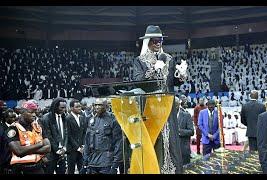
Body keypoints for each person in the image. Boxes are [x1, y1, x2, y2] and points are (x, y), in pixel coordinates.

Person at [131, 25, 184, 173]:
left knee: (170, 139)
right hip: (151, 108)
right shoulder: (140, 61)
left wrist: (181, 77)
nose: (158, 43)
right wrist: (153, 70)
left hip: (167, 106)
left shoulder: (168, 59)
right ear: (147, 42)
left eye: (160, 40)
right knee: (156, 139)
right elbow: (138, 81)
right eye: (154, 41)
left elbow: (172, 82)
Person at [6, 100, 51, 174]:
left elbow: (48, 148)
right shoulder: (13, 129)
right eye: (31, 112)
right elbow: (19, 151)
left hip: (38, 167)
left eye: (35, 112)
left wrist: (26, 150)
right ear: (22, 112)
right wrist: (39, 145)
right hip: (21, 169)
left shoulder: (38, 127)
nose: (34, 115)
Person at [82, 98, 122, 174]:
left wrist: (115, 164)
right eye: (95, 105)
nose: (97, 107)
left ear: (106, 106)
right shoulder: (91, 120)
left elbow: (119, 142)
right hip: (92, 161)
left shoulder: (113, 119)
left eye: (100, 105)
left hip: (107, 161)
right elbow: (87, 141)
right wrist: (85, 160)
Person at [41, 97, 68, 174]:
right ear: (55, 107)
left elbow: (66, 133)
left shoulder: (64, 117)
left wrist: (64, 148)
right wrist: (57, 149)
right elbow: (48, 136)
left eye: (65, 108)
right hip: (51, 153)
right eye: (62, 108)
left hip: (62, 152)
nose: (64, 110)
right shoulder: (46, 118)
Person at [66, 99, 88, 174]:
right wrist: (78, 147)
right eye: (77, 107)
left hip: (81, 148)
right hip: (72, 149)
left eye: (80, 106)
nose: (79, 108)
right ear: (71, 108)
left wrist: (83, 145)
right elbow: (69, 135)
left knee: (82, 169)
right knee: (71, 170)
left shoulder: (82, 117)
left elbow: (84, 132)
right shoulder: (67, 119)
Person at [175, 97, 194, 165]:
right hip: (172, 151)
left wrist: (179, 131)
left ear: (178, 105)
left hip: (183, 150)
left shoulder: (186, 115)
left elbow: (191, 131)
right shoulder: (168, 116)